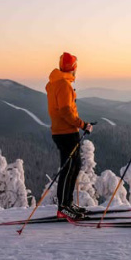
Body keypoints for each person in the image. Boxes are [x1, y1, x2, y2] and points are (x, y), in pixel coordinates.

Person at [46, 52, 93, 219]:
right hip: (66, 132)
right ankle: (63, 207)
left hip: (62, 131)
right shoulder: (64, 85)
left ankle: (68, 203)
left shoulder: (55, 83)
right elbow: (66, 111)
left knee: (74, 167)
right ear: (73, 68)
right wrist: (82, 124)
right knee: (69, 169)